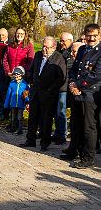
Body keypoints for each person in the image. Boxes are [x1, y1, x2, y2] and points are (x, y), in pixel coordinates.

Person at [20, 36, 66, 151]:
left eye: (47, 47)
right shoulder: (38, 55)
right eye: (43, 46)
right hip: (35, 91)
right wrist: (29, 80)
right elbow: (32, 69)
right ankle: (30, 140)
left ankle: (45, 142)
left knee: (46, 119)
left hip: (48, 93)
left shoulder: (58, 58)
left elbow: (61, 77)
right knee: (32, 117)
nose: (44, 49)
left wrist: (51, 90)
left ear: (53, 47)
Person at [65, 23, 101, 169]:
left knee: (89, 127)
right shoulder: (82, 49)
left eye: (94, 35)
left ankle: (88, 158)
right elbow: (74, 69)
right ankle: (75, 151)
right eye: (88, 35)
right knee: (76, 124)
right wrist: (72, 83)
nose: (91, 38)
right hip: (78, 92)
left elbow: (96, 75)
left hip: (91, 94)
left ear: (99, 35)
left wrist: (78, 85)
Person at [52, 32, 74, 145]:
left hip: (64, 87)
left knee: (61, 111)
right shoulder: (60, 52)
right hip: (57, 86)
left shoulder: (72, 52)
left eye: (63, 41)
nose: (61, 43)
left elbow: (67, 69)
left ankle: (62, 134)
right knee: (56, 111)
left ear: (70, 41)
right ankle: (57, 132)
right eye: (60, 41)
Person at [3, 66, 29, 135]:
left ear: (21, 75)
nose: (16, 77)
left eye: (18, 75)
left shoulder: (24, 84)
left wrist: (27, 101)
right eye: (15, 75)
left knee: (20, 117)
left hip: (21, 104)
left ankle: (20, 129)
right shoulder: (12, 83)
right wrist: (6, 104)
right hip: (13, 103)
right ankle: (13, 128)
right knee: (13, 117)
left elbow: (26, 93)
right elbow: (8, 94)